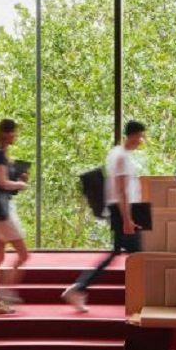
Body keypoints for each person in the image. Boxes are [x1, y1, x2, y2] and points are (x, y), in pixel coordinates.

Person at [62, 120, 146, 313]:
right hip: (123, 210)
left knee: (119, 253)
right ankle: (142, 298)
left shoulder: (116, 153)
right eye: (141, 136)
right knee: (140, 256)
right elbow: (121, 190)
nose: (142, 140)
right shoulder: (122, 158)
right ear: (133, 136)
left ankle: (79, 288)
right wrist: (127, 219)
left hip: (121, 209)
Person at [0, 119, 30, 315]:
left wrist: (19, 179)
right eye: (13, 132)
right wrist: (20, 185)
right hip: (2, 213)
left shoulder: (3, 155)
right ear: (6, 133)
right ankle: (4, 292)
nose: (16, 136)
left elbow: (5, 184)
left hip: (2, 209)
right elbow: (2, 183)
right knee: (22, 254)